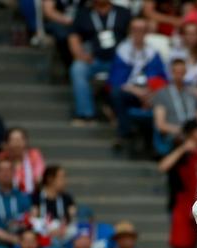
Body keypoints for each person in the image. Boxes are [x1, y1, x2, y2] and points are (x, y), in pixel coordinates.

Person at [68, 0, 131, 123]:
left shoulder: (123, 12)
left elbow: (132, 34)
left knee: (130, 70)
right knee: (78, 69)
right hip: (94, 59)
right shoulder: (83, 13)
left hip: (119, 59)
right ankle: (86, 114)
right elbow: (73, 36)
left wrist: (128, 56)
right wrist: (80, 54)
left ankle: (120, 114)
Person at [108, 17, 167, 147]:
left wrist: (150, 91)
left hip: (151, 93)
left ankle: (157, 144)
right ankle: (125, 132)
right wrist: (135, 91)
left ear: (146, 32)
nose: (138, 33)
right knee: (116, 93)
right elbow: (116, 79)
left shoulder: (153, 52)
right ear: (130, 31)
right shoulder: (122, 50)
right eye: (135, 30)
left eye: (142, 30)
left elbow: (162, 78)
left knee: (163, 97)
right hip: (130, 91)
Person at [0, 127, 45, 195]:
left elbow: (39, 177)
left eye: (20, 140)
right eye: (13, 140)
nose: (17, 144)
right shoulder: (2, 157)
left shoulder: (34, 155)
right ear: (7, 143)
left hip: (32, 195)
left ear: (26, 142)